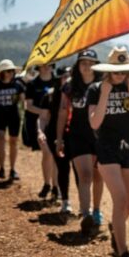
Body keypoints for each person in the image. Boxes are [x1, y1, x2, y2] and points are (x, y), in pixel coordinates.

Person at [89, 46, 129, 257]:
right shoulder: (96, 89)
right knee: (121, 199)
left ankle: (116, 230)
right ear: (108, 70)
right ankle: (123, 252)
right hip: (107, 148)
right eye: (116, 71)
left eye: (124, 71)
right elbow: (94, 123)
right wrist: (105, 93)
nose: (119, 75)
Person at [56, 50, 105, 232]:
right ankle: (86, 215)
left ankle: (97, 210)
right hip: (77, 135)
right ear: (78, 65)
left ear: (96, 64)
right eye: (83, 62)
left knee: (98, 174)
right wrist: (59, 139)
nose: (87, 66)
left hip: (99, 135)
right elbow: (62, 113)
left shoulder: (102, 85)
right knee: (85, 175)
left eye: (91, 62)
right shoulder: (69, 85)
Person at [39, 67, 74, 213]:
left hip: (74, 133)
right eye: (63, 76)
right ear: (58, 79)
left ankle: (86, 207)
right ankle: (65, 200)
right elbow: (43, 117)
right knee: (63, 167)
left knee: (78, 170)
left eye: (69, 76)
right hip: (55, 134)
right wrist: (40, 132)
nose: (66, 79)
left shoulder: (76, 93)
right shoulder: (50, 95)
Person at [0, 59, 26, 180]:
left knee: (13, 141)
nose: (9, 73)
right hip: (0, 116)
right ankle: (1, 168)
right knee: (1, 139)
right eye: (6, 71)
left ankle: (12, 169)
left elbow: (24, 101)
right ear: (2, 73)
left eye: (11, 70)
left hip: (14, 116)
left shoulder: (18, 85)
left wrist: (27, 113)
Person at [24, 63, 60, 199]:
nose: (46, 67)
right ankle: (47, 184)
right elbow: (28, 106)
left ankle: (56, 187)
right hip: (41, 123)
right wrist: (45, 112)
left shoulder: (58, 81)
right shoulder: (33, 84)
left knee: (56, 155)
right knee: (47, 153)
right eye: (43, 65)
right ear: (38, 68)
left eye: (49, 65)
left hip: (58, 123)